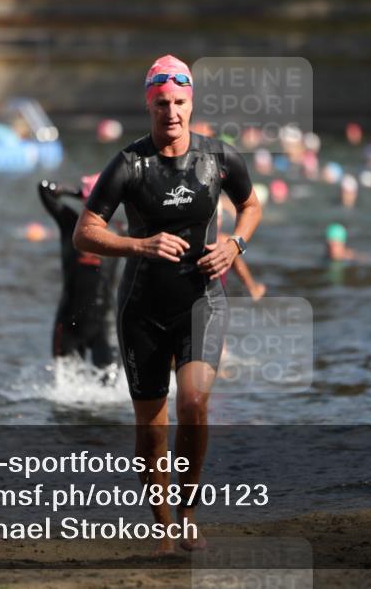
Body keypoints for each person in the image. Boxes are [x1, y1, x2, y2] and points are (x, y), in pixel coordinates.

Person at [73, 55, 262, 554]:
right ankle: (162, 523)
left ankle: (189, 513)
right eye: (162, 104)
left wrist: (236, 246)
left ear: (191, 102)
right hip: (142, 309)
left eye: (179, 102)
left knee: (195, 402)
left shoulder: (219, 158)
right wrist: (141, 245)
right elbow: (84, 233)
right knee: (151, 428)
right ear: (149, 105)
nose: (171, 112)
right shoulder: (130, 164)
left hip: (203, 301)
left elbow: (251, 205)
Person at [38, 175, 120, 374]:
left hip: (105, 323)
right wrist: (79, 192)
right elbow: (45, 189)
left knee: (109, 386)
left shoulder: (121, 232)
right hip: (69, 320)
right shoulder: (70, 223)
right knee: (64, 387)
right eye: (94, 199)